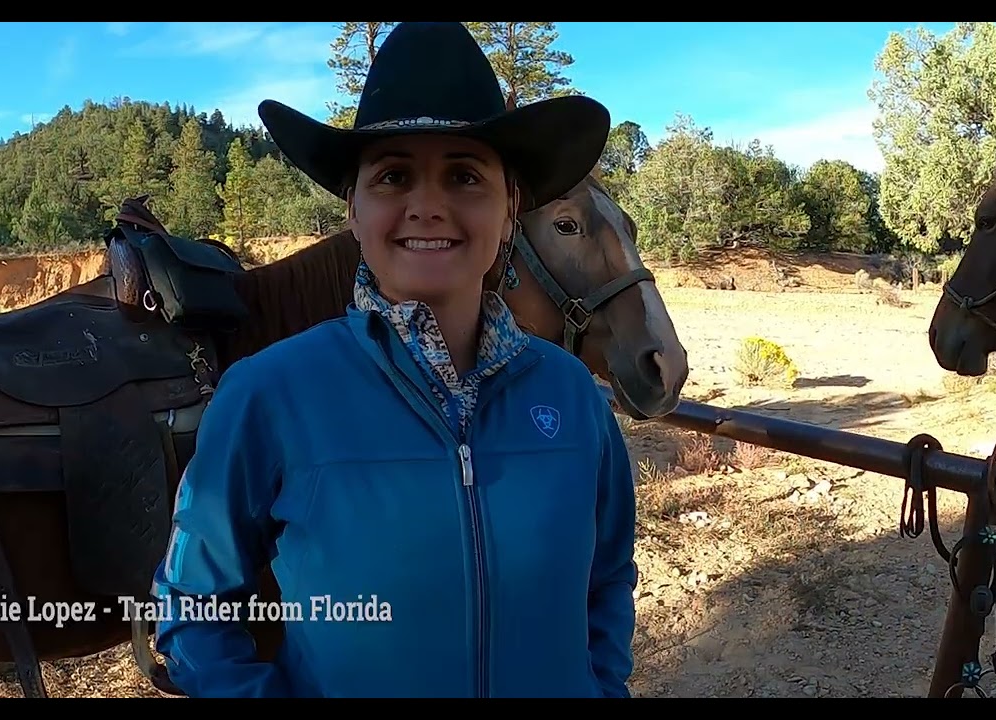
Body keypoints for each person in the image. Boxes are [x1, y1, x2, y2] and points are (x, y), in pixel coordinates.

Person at [150, 21, 638, 698]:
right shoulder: (266, 394)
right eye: (393, 175)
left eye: (465, 175)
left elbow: (608, 579)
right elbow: (192, 605)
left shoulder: (574, 396)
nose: (428, 205)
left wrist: (602, 687)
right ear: (353, 209)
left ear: (509, 211)